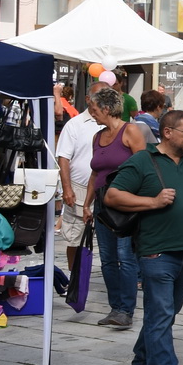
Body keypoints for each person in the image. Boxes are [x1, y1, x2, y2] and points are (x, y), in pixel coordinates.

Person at [104, 110, 183, 365]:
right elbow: (112, 196)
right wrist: (153, 202)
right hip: (157, 253)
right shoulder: (143, 160)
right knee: (162, 313)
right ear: (167, 132)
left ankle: (143, 358)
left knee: (165, 313)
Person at [84, 88, 150, 328]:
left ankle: (126, 310)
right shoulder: (97, 137)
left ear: (106, 108)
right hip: (102, 204)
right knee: (107, 258)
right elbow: (95, 173)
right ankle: (115, 307)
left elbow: (144, 166)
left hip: (124, 203)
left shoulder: (130, 131)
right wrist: (87, 203)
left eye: (94, 109)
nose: (92, 114)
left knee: (125, 256)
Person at [56, 86, 104, 287]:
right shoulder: (75, 124)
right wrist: (67, 188)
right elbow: (63, 158)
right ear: (88, 99)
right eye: (99, 96)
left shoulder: (114, 124)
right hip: (79, 187)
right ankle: (75, 279)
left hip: (106, 190)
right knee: (75, 238)